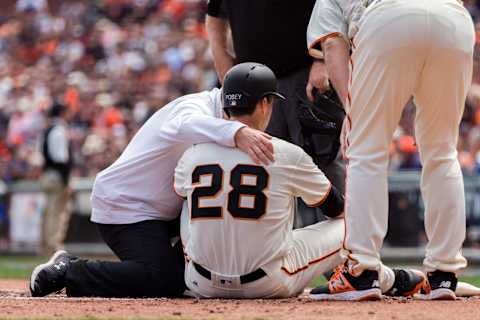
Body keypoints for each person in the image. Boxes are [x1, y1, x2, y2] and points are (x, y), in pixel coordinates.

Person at [175, 62, 425, 299]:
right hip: (267, 283)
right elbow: (336, 209)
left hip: (200, 282)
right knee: (351, 221)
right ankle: (385, 278)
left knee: (187, 204)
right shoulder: (285, 153)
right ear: (264, 104)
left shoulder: (193, 154)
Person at [29, 66, 275, 298]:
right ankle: (70, 270)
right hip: (127, 206)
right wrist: (237, 132)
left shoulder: (221, 118)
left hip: (163, 209)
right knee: (163, 279)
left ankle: (188, 273)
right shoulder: (196, 105)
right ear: (264, 104)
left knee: (190, 272)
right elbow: (180, 125)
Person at [307, 0, 475, 300]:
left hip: (390, 16)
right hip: (453, 19)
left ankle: (362, 272)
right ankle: (444, 274)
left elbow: (333, 47)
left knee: (366, 150)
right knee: (442, 152)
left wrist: (352, 112)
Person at [206, 0, 345, 227]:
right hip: (252, 85)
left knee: (326, 163)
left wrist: (322, 58)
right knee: (264, 166)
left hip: (304, 74)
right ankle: (276, 255)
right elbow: (214, 18)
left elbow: (329, 4)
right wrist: (222, 62)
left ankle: (347, 253)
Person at [40, 103, 72, 256]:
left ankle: (46, 246)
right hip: (57, 176)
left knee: (49, 211)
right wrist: (66, 181)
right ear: (62, 112)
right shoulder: (59, 130)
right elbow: (61, 158)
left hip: (48, 174)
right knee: (57, 212)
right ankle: (53, 248)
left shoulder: (47, 130)